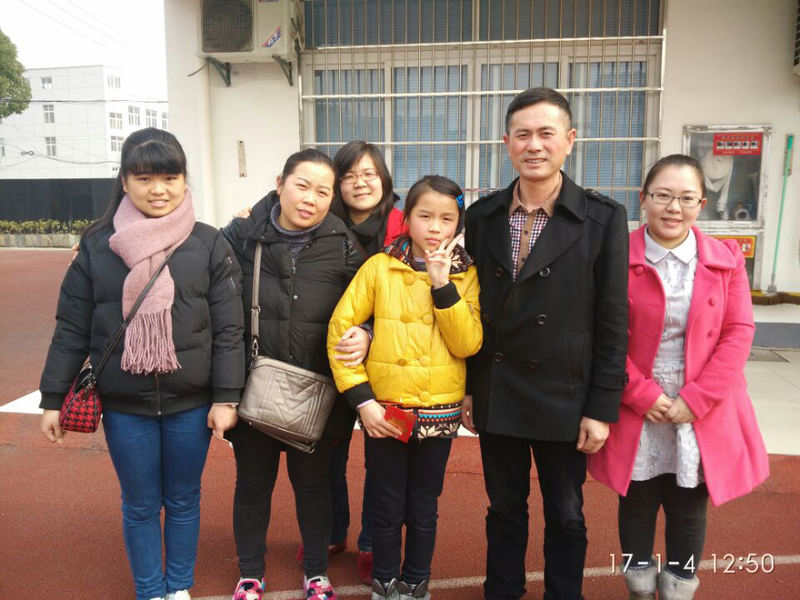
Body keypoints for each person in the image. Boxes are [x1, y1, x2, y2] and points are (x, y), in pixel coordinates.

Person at [38, 127, 246, 600]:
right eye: (145, 178)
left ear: (184, 180)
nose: (159, 190)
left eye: (170, 178)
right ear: (125, 182)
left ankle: (179, 588)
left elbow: (229, 329)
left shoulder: (209, 242)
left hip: (191, 403)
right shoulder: (98, 245)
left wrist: (226, 397)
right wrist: (53, 398)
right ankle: (151, 590)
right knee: (139, 504)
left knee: (184, 500)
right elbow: (71, 328)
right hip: (125, 405)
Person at [461, 87, 629, 600]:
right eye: (523, 135)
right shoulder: (482, 216)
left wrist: (601, 407)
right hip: (499, 388)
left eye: (546, 134)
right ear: (506, 143)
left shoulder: (603, 218)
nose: (534, 145)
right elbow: (471, 309)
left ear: (569, 140)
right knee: (503, 508)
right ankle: (502, 591)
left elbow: (612, 319)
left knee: (566, 511)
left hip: (565, 394)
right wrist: (470, 388)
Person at [588, 154, 770, 600]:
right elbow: (598, 332)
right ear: (643, 198)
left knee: (689, 506)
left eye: (687, 198)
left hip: (701, 403)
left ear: (701, 204)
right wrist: (640, 393)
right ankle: (637, 585)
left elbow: (738, 330)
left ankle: (679, 585)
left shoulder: (726, 259)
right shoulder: (613, 256)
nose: (674, 208)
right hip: (637, 400)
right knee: (637, 503)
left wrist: (698, 398)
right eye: (663, 196)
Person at [328, 175, 483, 600]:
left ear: (458, 223)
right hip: (386, 410)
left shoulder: (466, 273)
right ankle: (383, 583)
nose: (434, 227)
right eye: (424, 215)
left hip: (438, 409)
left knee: (423, 504)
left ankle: (416, 582)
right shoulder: (379, 266)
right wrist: (362, 401)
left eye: (446, 218)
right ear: (407, 217)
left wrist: (442, 284)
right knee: (385, 500)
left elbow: (468, 342)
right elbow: (340, 329)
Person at [221, 149, 365, 600]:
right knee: (252, 487)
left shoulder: (344, 244)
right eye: (302, 185)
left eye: (323, 191)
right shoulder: (243, 235)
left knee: (314, 488)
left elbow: (373, 301)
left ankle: (316, 574)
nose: (310, 199)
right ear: (280, 183)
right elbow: (191, 264)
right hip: (255, 387)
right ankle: (250, 573)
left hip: (317, 394)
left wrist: (366, 332)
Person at [306, 140, 409, 584]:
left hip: (388, 359)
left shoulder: (405, 225)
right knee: (328, 453)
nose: (360, 183)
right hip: (331, 355)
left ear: (383, 178)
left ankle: (372, 541)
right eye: (348, 176)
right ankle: (333, 531)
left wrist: (369, 331)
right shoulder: (320, 224)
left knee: (381, 460)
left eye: (368, 174)